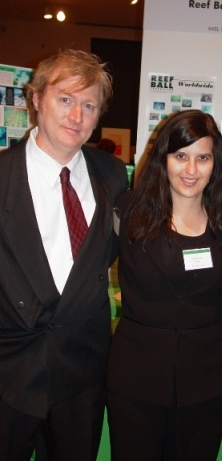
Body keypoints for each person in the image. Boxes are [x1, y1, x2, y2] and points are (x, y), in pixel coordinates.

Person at [0, 49, 128, 461]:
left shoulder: (111, 174)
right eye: (65, 99)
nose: (76, 116)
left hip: (82, 376)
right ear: (36, 98)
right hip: (9, 373)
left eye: (88, 105)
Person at [106, 109, 222, 461]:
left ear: (214, 163)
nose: (191, 169)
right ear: (163, 158)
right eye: (180, 156)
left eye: (202, 158)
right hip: (135, 378)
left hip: (208, 379)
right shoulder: (127, 212)